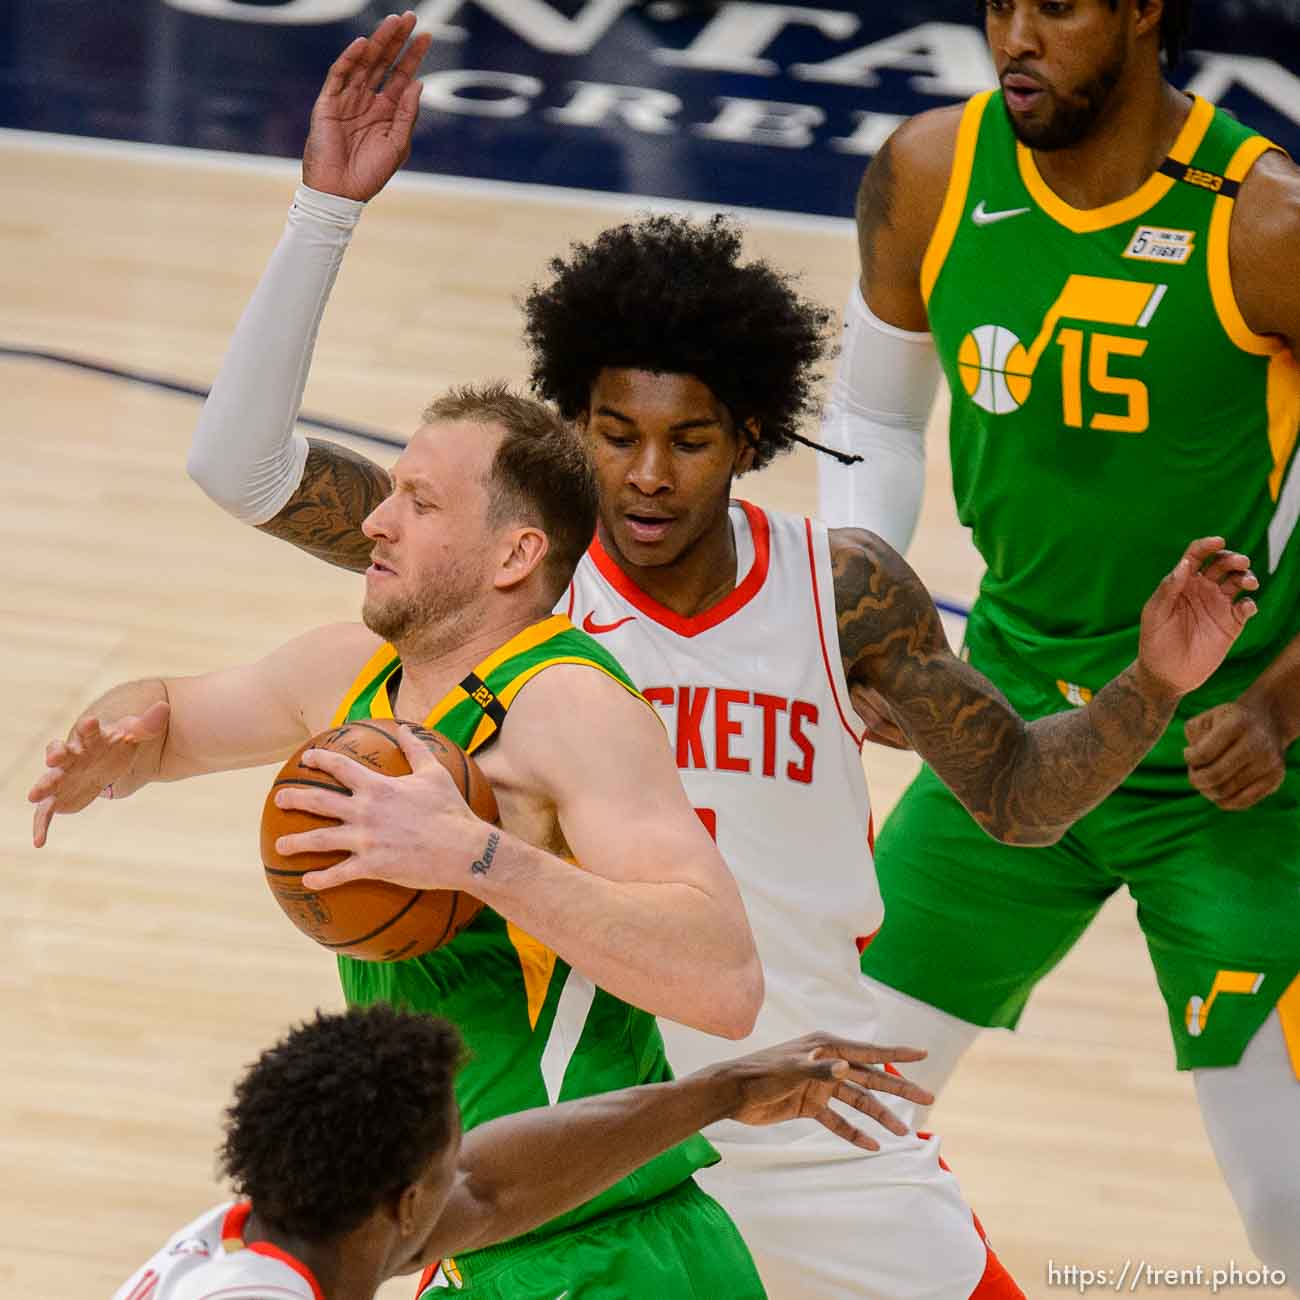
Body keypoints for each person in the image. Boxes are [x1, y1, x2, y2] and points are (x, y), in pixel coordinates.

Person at [179, 13, 1260, 1298]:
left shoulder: (840, 589)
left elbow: (1022, 800)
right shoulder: (511, 580)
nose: (644, 473)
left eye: (687, 438)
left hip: (814, 1124)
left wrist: (1151, 685)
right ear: (570, 430)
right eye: (612, 433)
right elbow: (241, 468)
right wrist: (323, 212)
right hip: (595, 1155)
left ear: (749, 436)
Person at [31, 378, 840, 1298]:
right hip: (458, 1241)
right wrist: (111, 739)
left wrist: (476, 856)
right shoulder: (351, 677)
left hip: (601, 1250)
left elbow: (724, 982)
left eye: (418, 502)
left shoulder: (567, 708)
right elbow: (169, 714)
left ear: (515, 553)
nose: (376, 522)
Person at [815, 0, 1300, 1280]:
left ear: (1144, 11)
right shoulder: (929, 170)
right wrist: (866, 611)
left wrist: (1283, 706)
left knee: (1290, 1209)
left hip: (1230, 758)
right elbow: (873, 410)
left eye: (1060, 5)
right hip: (1014, 734)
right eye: (1000, 3)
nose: (1017, 34)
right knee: (818, 1125)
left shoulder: (1264, 226)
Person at [113, 1004, 933, 1300]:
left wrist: (720, 1090)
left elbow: (490, 1190)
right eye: (447, 1151)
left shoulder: (281, 1230)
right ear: (405, 1202)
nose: (460, 1161)